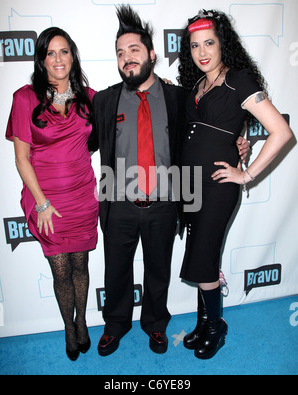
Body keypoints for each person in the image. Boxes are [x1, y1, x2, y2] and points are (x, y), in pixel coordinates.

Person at [178, 9, 293, 360]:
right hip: (189, 186)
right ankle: (203, 321)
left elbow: (282, 131)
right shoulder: (196, 84)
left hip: (216, 188)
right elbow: (216, 126)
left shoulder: (239, 80)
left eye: (209, 43)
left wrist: (246, 174)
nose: (202, 52)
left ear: (223, 44)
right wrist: (239, 137)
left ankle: (216, 328)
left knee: (203, 259)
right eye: (195, 45)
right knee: (201, 257)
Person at [88, 5, 188, 356]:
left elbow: (201, 135)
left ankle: (155, 325)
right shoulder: (103, 101)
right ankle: (115, 324)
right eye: (120, 53)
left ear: (151, 54)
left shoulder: (177, 99)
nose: (126, 58)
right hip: (119, 205)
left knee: (158, 270)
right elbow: (78, 142)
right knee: (115, 270)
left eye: (133, 50)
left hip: (163, 203)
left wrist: (238, 141)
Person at [6, 27, 99, 361]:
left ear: (72, 56)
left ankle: (84, 320)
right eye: (51, 53)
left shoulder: (89, 96)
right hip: (47, 201)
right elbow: (21, 158)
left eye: (64, 52)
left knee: (81, 265)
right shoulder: (24, 98)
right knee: (60, 271)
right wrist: (42, 203)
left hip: (82, 197)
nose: (58, 59)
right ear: (42, 59)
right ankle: (68, 327)